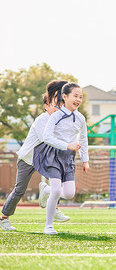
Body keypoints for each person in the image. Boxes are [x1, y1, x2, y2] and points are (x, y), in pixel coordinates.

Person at [0, 80, 70, 231]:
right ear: (46, 106)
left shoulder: (58, 120)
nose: (58, 107)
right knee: (20, 190)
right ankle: (4, 218)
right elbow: (48, 140)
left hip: (44, 159)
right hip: (28, 159)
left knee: (58, 181)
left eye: (60, 105)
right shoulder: (42, 120)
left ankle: (53, 204)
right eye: (53, 104)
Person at [33, 82, 89, 235]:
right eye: (75, 96)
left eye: (80, 97)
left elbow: (83, 140)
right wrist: (67, 145)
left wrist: (85, 160)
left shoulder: (80, 118)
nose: (78, 99)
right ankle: (48, 226)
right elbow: (47, 137)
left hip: (68, 158)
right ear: (64, 97)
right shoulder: (56, 115)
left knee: (69, 193)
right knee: (57, 190)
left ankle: (47, 190)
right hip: (53, 155)